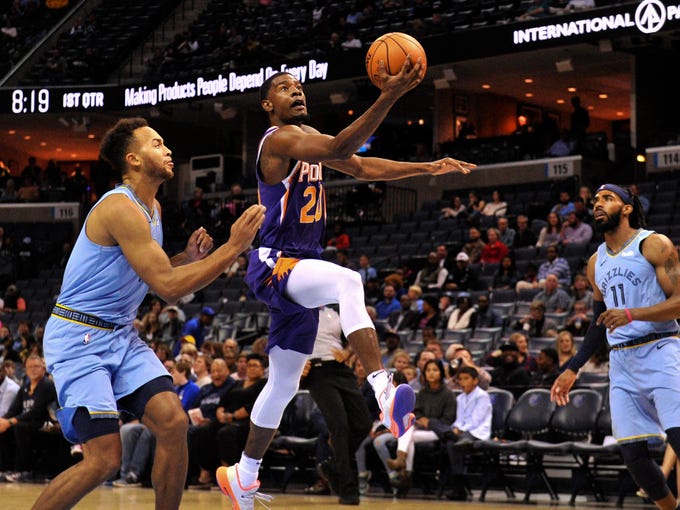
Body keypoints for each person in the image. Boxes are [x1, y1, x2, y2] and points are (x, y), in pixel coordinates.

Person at [217, 66, 474, 508]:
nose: (295, 92)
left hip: (301, 268)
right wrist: (389, 95)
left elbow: (359, 164)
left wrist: (425, 167)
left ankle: (244, 473)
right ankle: (383, 388)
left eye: (298, 87)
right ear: (267, 105)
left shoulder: (308, 137)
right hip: (276, 262)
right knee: (348, 279)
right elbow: (343, 146)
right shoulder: (277, 140)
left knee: (281, 384)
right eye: (283, 88)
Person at [34, 118, 265, 510]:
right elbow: (170, 288)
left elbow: (157, 271)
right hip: (78, 337)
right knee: (104, 459)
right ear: (134, 160)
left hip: (120, 334)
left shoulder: (153, 207)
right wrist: (235, 247)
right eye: (157, 144)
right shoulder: (119, 208)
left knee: (174, 423)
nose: (168, 150)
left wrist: (185, 260)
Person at [550, 183, 680, 510]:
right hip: (621, 362)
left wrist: (632, 314)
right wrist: (572, 367)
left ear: (626, 208)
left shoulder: (653, 244)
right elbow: (599, 324)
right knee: (634, 456)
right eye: (595, 200)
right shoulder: (595, 263)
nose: (597, 204)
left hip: (661, 349)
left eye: (607, 198)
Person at [302, 305, 372, 505]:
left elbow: (355, 335)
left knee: (363, 423)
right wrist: (297, 365)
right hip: (316, 370)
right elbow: (286, 341)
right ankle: (348, 489)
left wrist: (349, 351)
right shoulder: (297, 310)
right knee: (339, 426)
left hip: (340, 369)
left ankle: (333, 466)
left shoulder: (334, 312)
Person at [375, 359, 456, 496]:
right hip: (421, 429)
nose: (431, 373)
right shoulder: (423, 392)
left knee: (406, 432)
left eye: (435, 370)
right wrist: (421, 420)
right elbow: (415, 412)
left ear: (441, 373)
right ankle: (406, 472)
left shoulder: (448, 394)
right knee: (408, 431)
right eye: (428, 370)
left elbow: (448, 420)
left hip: (439, 431)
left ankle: (403, 468)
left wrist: (428, 422)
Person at [444, 366, 492, 501]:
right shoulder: (460, 398)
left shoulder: (483, 396)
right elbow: (459, 419)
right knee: (448, 442)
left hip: (477, 432)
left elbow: (477, 419)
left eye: (466, 379)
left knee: (456, 445)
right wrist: (455, 428)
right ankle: (459, 484)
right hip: (463, 431)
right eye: (460, 379)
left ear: (475, 381)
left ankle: (459, 486)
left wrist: (460, 430)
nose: (462, 382)